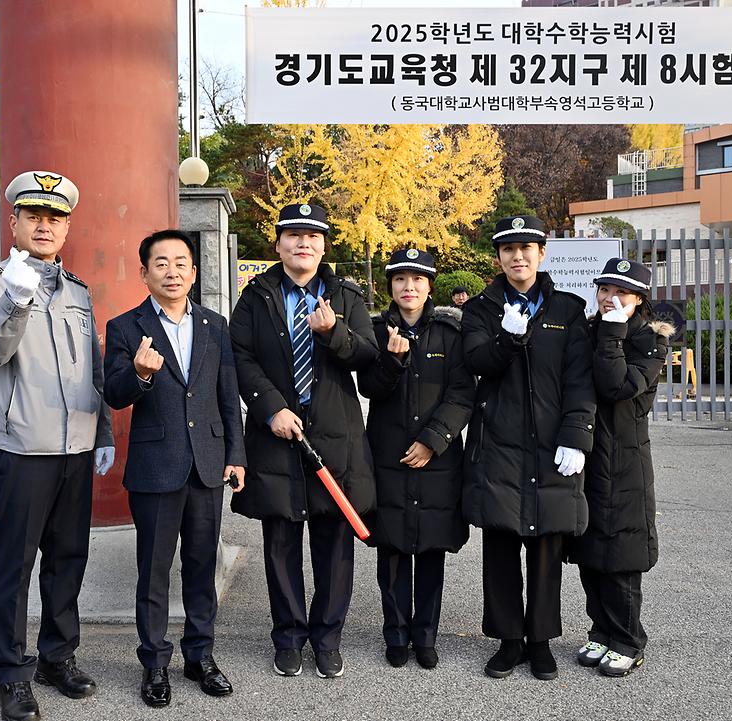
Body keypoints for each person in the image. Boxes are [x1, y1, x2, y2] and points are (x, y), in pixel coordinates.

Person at [0, 170, 115, 721]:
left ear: (67, 228)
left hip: (75, 447)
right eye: (34, 216)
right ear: (15, 223)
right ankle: (11, 673)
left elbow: (93, 368)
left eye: (55, 218)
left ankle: (58, 656)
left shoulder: (78, 291)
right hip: (23, 449)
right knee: (15, 566)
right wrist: (16, 299)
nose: (45, 226)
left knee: (68, 559)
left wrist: (102, 431)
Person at [230, 202, 378, 679]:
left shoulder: (346, 295)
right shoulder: (256, 296)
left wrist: (334, 332)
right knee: (281, 541)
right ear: (278, 245)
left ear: (324, 246)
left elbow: (368, 355)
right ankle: (289, 637)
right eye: (293, 235)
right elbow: (240, 356)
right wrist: (270, 407)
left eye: (313, 236)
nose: (303, 243)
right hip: (276, 434)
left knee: (334, 544)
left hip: (333, 433)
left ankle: (327, 638)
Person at [103, 230, 246, 708]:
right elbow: (114, 393)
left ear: (194, 272)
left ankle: (200, 656)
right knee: (154, 571)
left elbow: (228, 395)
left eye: (181, 262)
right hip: (156, 466)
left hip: (207, 464)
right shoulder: (126, 327)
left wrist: (236, 455)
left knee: (202, 566)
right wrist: (140, 374)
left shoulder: (214, 325)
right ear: (144, 273)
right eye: (161, 263)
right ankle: (155, 662)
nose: (172, 271)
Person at [461, 215, 596, 682]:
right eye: (508, 249)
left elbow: (580, 380)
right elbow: (476, 361)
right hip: (498, 443)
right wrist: (507, 338)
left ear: (542, 254)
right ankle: (508, 640)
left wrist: (577, 435)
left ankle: (540, 641)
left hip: (551, 445)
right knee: (500, 545)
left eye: (526, 248)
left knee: (545, 548)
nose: (518, 256)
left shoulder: (567, 310)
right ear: (498, 257)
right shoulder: (481, 309)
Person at [358, 248, 474, 670]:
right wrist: (392, 361)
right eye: (400, 279)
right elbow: (369, 388)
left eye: (418, 279)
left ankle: (425, 636)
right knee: (391, 549)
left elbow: (462, 394)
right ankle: (396, 634)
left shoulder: (449, 333)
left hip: (436, 459)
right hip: (388, 456)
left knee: (430, 550)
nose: (409, 287)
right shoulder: (374, 330)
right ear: (390, 285)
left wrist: (433, 440)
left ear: (430, 286)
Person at [570, 258, 670, 677]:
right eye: (605, 290)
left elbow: (616, 386)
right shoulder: (588, 331)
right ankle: (600, 631)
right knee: (591, 550)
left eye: (621, 293)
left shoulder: (650, 341)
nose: (610, 298)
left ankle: (628, 640)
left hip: (626, 461)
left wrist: (612, 332)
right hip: (587, 456)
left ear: (639, 300)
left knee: (621, 557)